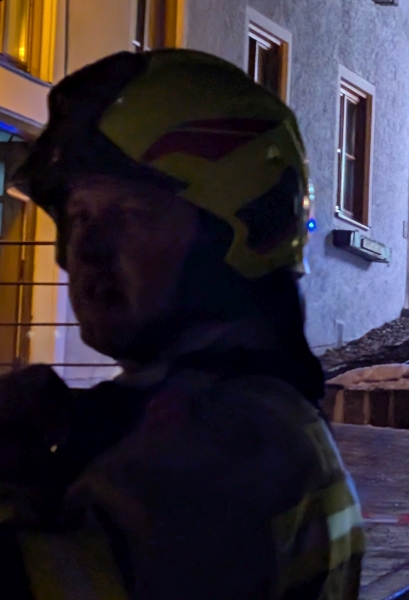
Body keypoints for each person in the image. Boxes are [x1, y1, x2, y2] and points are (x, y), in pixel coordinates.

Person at [0, 49, 362, 598]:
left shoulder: (221, 451)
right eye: (80, 216)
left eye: (130, 214)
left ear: (234, 235)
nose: (86, 249)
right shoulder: (253, 415)